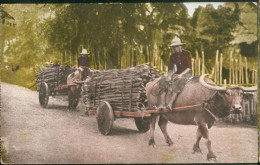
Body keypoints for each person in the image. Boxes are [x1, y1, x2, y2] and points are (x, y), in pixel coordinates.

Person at [156, 36, 192, 109]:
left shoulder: (187, 54)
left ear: (180, 46)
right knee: (163, 81)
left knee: (180, 81)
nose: (174, 49)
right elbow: (170, 69)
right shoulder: (173, 56)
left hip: (187, 74)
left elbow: (189, 68)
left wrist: (181, 75)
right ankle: (162, 103)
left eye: (175, 47)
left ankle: (171, 103)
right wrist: (169, 76)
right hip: (177, 73)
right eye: (173, 47)